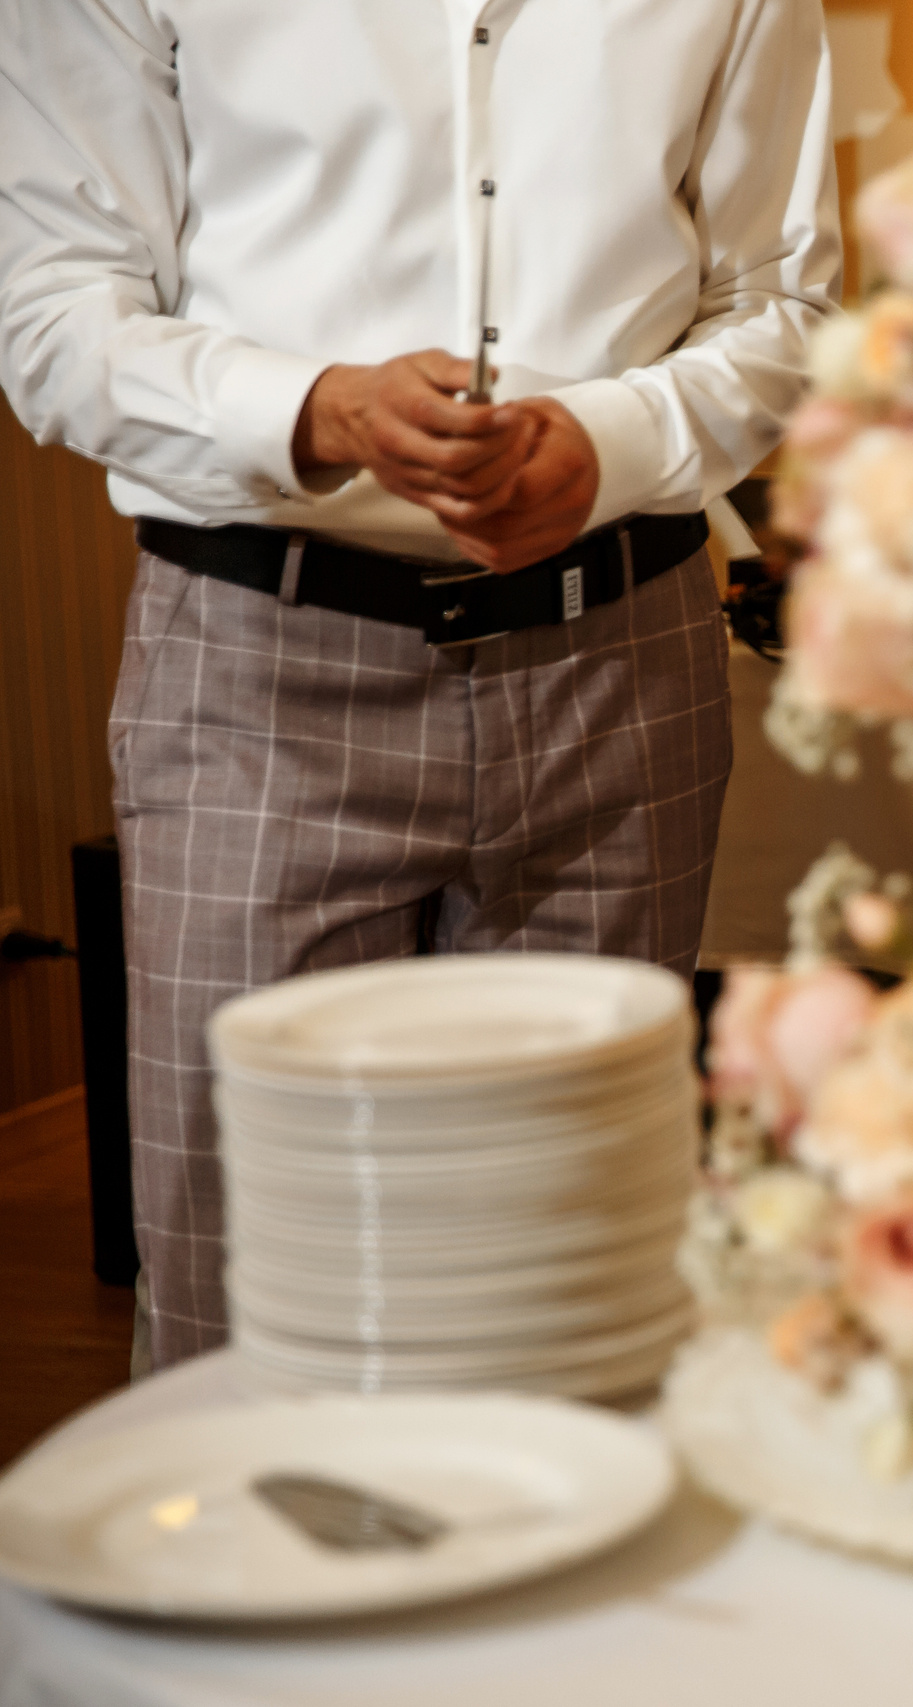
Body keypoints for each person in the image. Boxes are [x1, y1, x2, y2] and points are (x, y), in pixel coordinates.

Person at [0, 0, 841, 1366]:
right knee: (245, 1292)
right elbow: (50, 313)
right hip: (259, 669)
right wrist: (320, 409)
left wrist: (616, 439)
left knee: (567, 1291)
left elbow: (787, 308)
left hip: (619, 663)